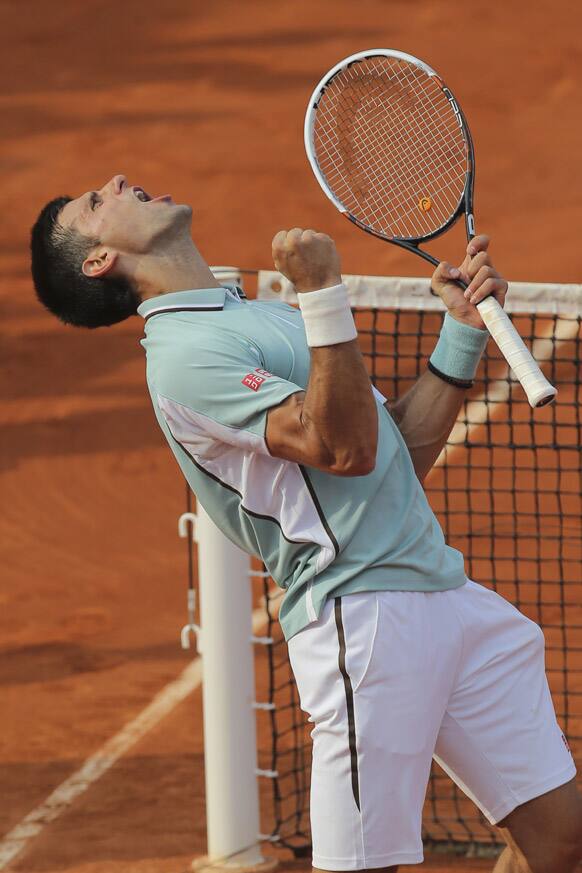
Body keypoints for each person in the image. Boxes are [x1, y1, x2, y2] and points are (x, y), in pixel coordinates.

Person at [30, 174, 582, 873]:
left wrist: (461, 335)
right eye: (94, 202)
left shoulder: (260, 318)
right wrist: (322, 295)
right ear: (98, 259)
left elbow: (391, 456)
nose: (114, 183)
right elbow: (341, 447)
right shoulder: (184, 355)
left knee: (560, 842)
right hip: (363, 617)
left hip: (447, 596)